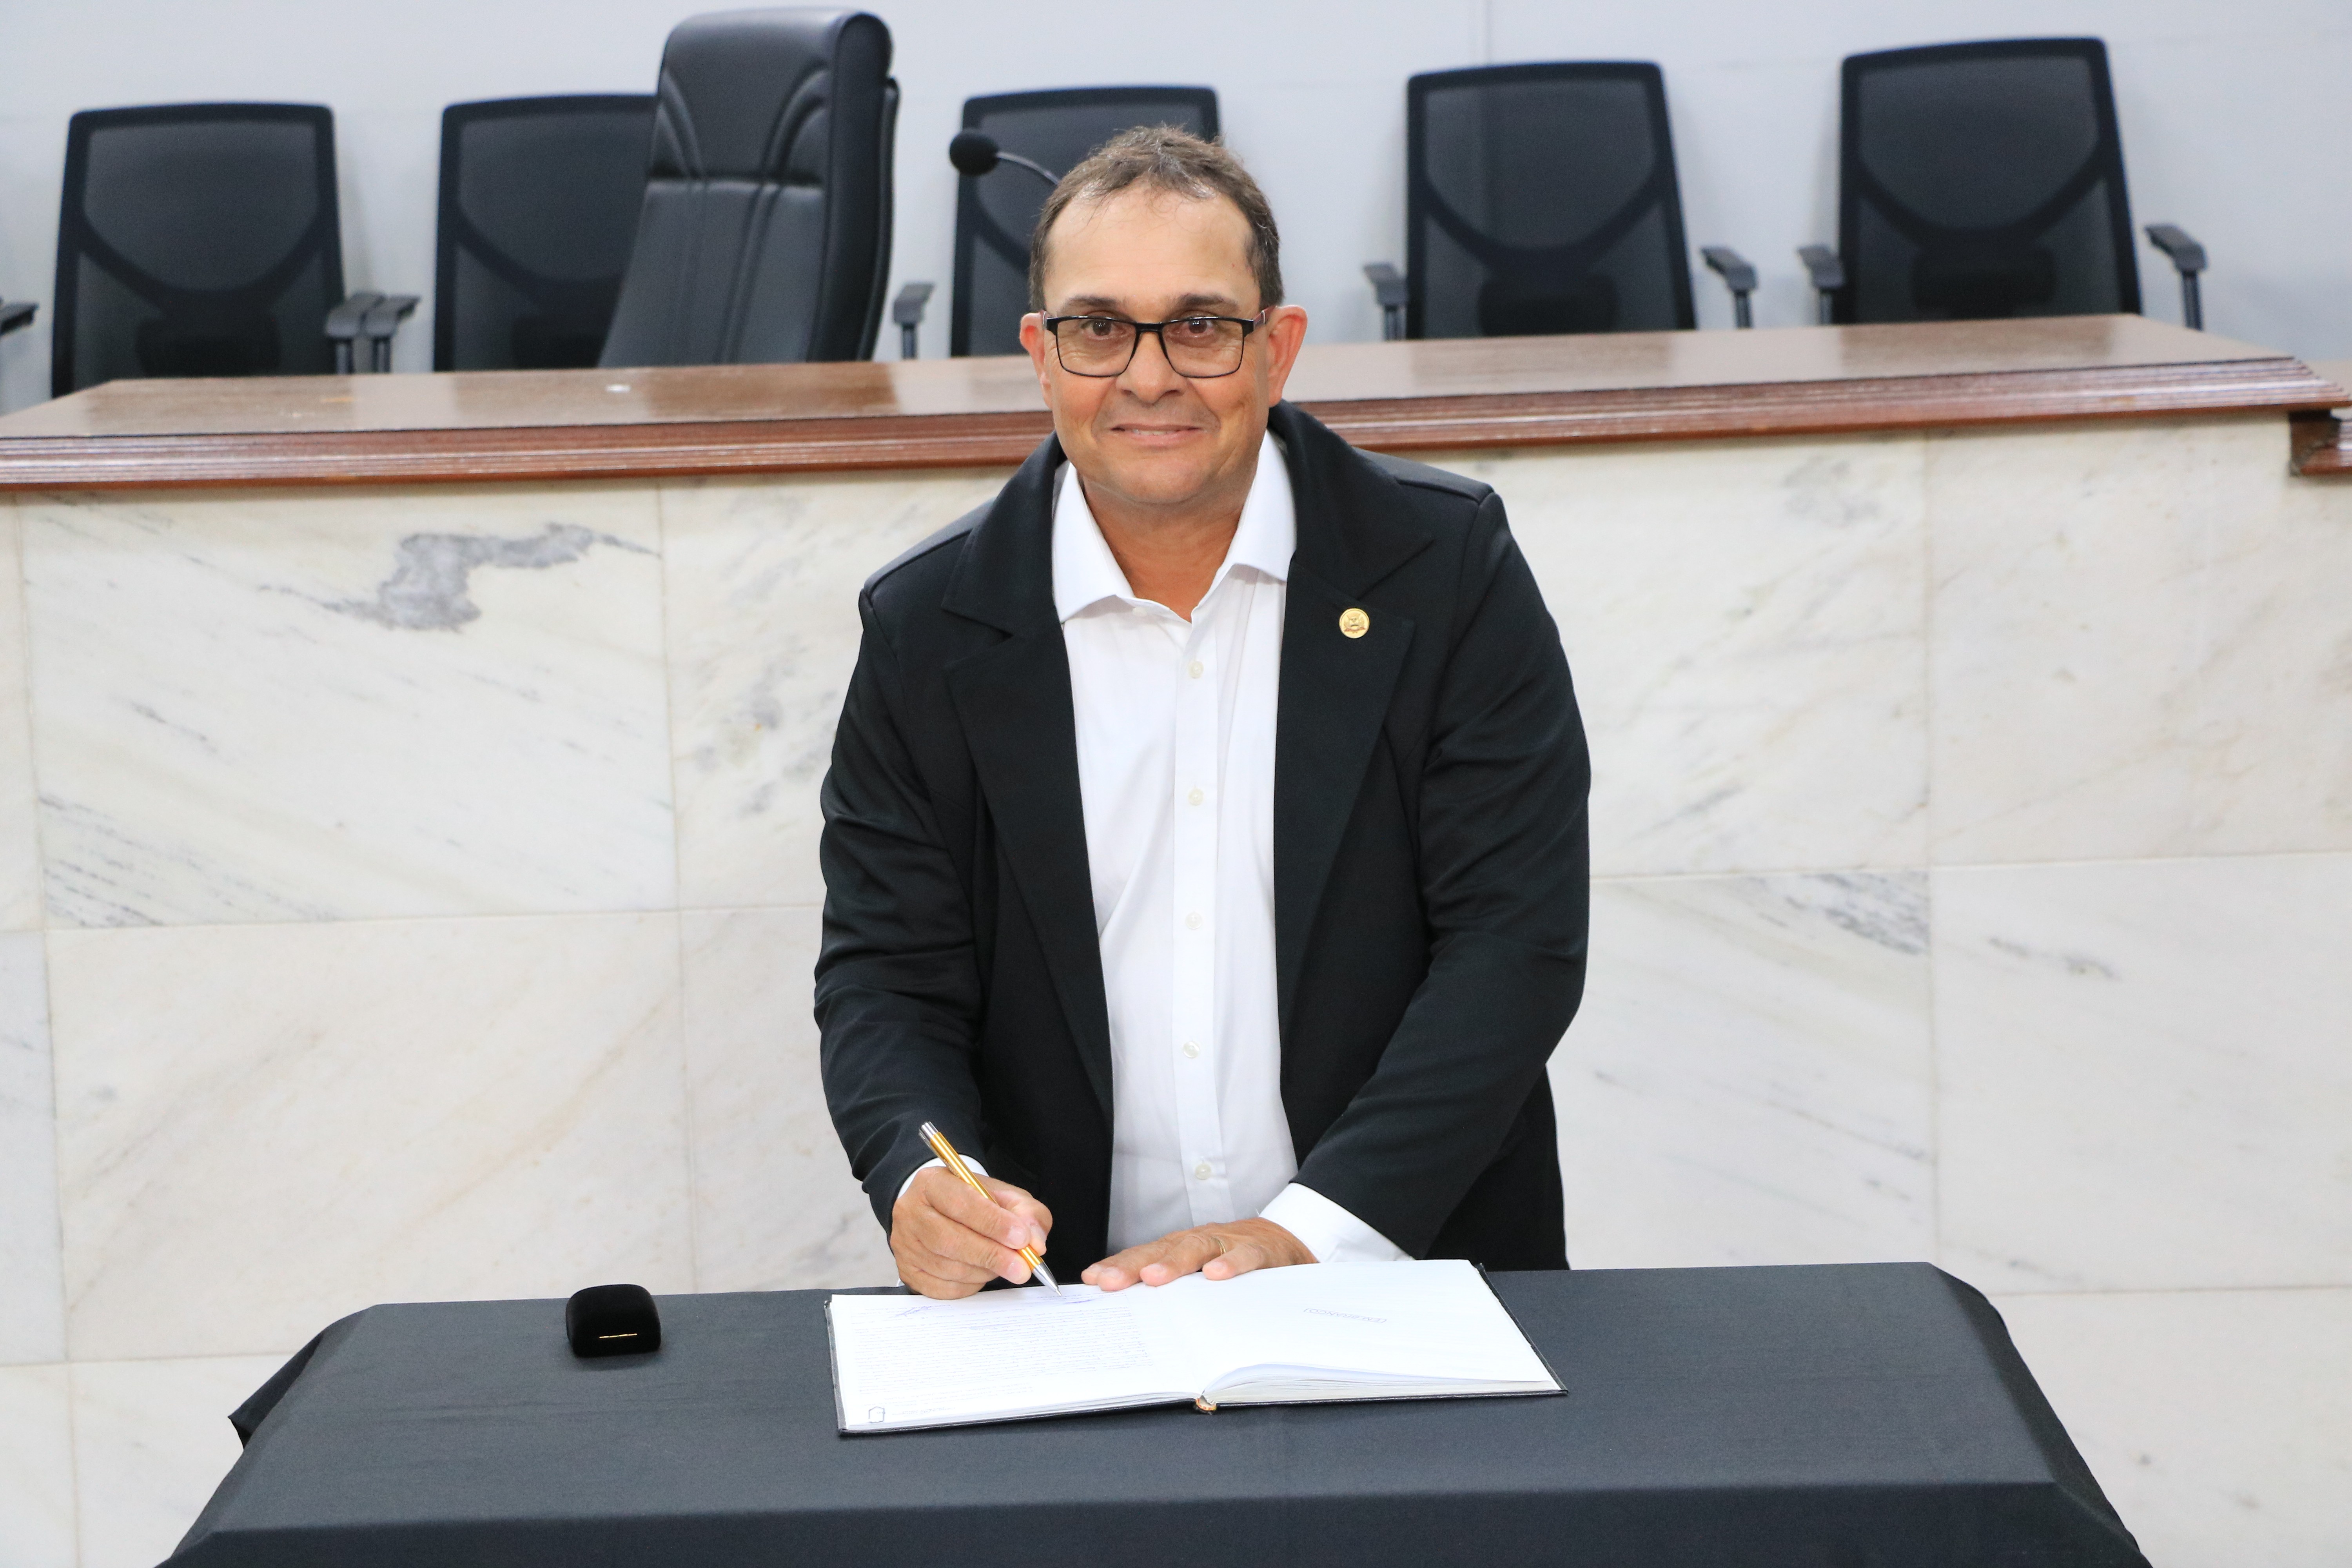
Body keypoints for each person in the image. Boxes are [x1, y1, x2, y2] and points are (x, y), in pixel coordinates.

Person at [817, 127, 1588, 1301]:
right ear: (1041, 355)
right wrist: (922, 1176)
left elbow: (1514, 944)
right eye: (1097, 327)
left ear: (1277, 348)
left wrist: (1308, 1233)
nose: (1148, 376)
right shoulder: (929, 626)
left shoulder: (1444, 571)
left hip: (1406, 1278)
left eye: (1200, 326)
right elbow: (887, 975)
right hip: (1072, 1305)